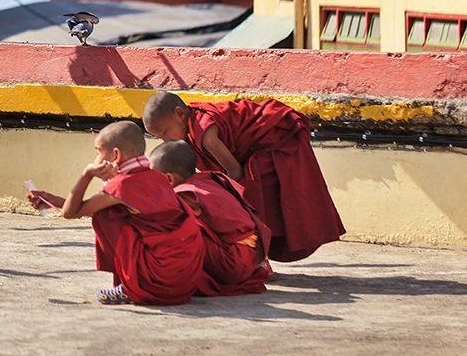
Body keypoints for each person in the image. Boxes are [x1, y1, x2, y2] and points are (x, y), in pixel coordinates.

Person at [142, 91, 344, 262]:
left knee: (250, 198)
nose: (164, 140)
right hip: (255, 150)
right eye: (159, 137)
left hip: (275, 141)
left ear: (179, 114)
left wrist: (220, 200)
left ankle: (256, 260)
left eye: (165, 132)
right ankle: (257, 257)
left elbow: (234, 172)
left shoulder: (206, 133)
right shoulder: (191, 130)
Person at [28, 121, 204, 306]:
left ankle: (132, 286)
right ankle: (134, 282)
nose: (96, 159)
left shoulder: (123, 184)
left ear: (115, 155)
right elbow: (85, 207)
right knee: (111, 212)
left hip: (157, 281)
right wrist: (55, 200)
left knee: (106, 217)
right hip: (183, 282)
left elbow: (70, 213)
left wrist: (87, 173)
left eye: (98, 152)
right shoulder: (155, 177)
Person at [150, 141, 271, 296]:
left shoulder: (185, 193)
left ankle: (154, 279)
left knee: (174, 229)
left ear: (169, 179)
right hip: (252, 256)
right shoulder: (207, 180)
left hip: (232, 263)